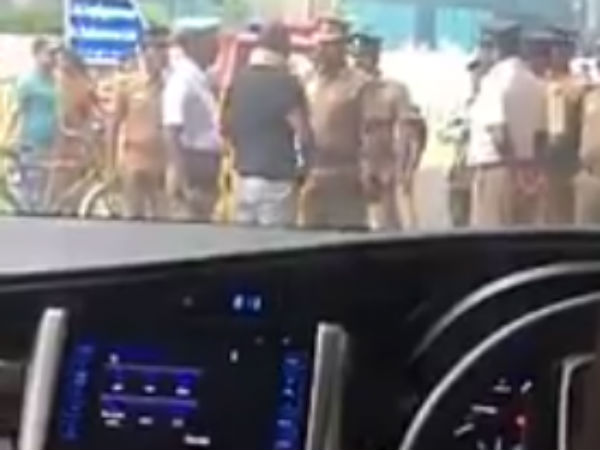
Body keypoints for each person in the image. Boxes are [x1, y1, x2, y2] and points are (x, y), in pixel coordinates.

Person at [225, 23, 314, 227]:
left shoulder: (239, 81)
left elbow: (226, 126)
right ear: (284, 48)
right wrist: (306, 167)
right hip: (277, 180)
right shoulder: (287, 83)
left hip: (244, 177)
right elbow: (303, 133)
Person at [468, 22, 547, 227]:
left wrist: (515, 172)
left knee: (492, 235)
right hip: (529, 170)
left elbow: (499, 134)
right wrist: (532, 173)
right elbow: (541, 135)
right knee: (523, 234)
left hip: (498, 170)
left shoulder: (494, 81)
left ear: (496, 49)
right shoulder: (534, 81)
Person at [302, 27, 372, 229]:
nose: (322, 51)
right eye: (320, 44)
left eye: (329, 45)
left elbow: (369, 129)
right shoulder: (308, 80)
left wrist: (368, 169)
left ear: (342, 48)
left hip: (346, 173)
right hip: (313, 173)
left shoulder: (360, 83)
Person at [351, 32, 412, 230]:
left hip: (383, 161)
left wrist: (402, 167)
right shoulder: (346, 89)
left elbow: (405, 130)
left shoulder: (393, 89)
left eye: (367, 55)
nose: (362, 61)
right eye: (358, 56)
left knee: (387, 220)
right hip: (351, 163)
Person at [163, 18, 222, 221]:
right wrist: (181, 178)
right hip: (193, 167)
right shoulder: (182, 80)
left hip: (205, 168)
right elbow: (171, 129)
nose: (217, 48)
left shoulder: (200, 78)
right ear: (194, 45)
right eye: (211, 41)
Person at [111, 27, 170, 219]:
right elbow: (113, 124)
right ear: (144, 52)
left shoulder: (173, 84)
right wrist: (110, 162)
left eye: (164, 48)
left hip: (163, 161)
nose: (160, 54)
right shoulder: (129, 84)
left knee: (162, 217)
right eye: (155, 48)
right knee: (133, 216)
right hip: (134, 159)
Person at [44, 48, 100, 215]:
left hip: (79, 139)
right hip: (62, 139)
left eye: (63, 60)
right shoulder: (58, 83)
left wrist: (90, 130)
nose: (60, 64)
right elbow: (59, 114)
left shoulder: (84, 84)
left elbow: (92, 111)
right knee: (57, 180)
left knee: (79, 179)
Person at [10, 37, 59, 213]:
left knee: (46, 192)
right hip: (31, 142)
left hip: (52, 143)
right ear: (37, 55)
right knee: (31, 191)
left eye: (55, 54)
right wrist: (12, 138)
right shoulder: (27, 82)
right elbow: (17, 111)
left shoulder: (55, 81)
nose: (53, 58)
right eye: (49, 54)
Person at [540, 28, 583, 225]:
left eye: (562, 49)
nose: (556, 54)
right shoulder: (544, 82)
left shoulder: (575, 86)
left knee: (560, 218)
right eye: (553, 49)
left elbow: (561, 134)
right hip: (548, 161)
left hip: (563, 162)